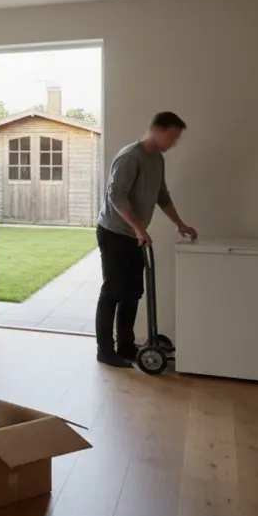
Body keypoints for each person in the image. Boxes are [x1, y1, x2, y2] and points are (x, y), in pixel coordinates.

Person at [96, 111, 198, 368]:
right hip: (115, 233)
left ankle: (126, 346)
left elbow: (161, 195)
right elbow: (116, 197)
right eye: (172, 136)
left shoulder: (157, 159)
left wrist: (180, 224)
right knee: (113, 292)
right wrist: (139, 229)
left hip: (135, 235)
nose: (174, 143)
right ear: (156, 129)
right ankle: (105, 351)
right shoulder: (131, 157)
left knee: (133, 293)